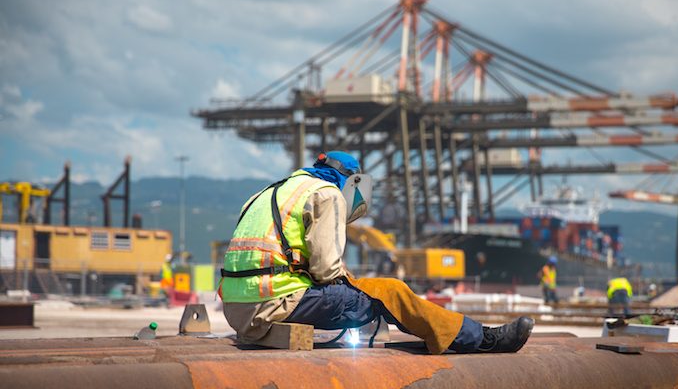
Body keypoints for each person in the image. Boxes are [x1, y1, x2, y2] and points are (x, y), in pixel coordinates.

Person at [218, 151, 534, 354]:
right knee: (390, 291)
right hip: (277, 303)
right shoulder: (326, 193)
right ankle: (479, 339)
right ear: (353, 181)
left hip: (238, 311)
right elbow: (327, 270)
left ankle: (464, 333)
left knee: (369, 290)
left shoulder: (267, 192)